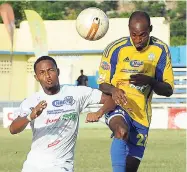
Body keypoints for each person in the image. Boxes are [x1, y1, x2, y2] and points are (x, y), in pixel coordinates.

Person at [97, 11, 174, 172]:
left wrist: (150, 81)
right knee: (121, 131)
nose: (138, 40)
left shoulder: (160, 50)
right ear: (129, 30)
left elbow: (168, 90)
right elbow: (102, 84)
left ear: (150, 29)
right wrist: (114, 89)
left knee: (130, 169)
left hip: (141, 115)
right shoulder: (115, 49)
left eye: (142, 35)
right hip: (118, 105)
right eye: (134, 35)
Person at [9, 56, 116, 172]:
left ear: (58, 72)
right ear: (36, 77)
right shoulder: (31, 101)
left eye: (51, 70)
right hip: (33, 166)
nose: (47, 76)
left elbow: (113, 99)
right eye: (42, 73)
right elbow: (13, 129)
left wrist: (99, 113)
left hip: (61, 166)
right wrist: (30, 116)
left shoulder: (77, 93)